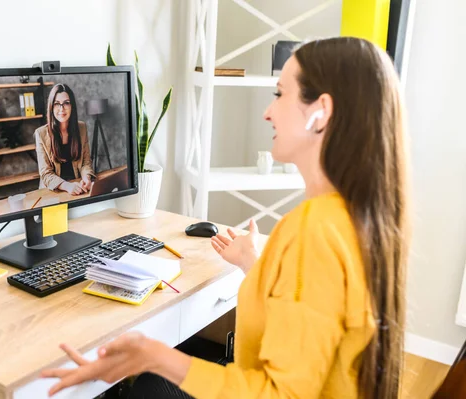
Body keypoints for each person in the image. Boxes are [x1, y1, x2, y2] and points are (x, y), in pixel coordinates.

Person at [40, 37, 410, 399]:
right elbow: (316, 317)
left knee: (150, 385)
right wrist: (256, 265)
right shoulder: (357, 217)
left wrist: (153, 356)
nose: (268, 111)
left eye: (280, 94)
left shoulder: (313, 230)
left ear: (320, 112)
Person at [35, 83, 94, 195]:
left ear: (72, 106)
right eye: (57, 104)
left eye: (66, 103)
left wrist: (87, 178)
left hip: (77, 185)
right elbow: (46, 173)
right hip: (54, 190)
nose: (61, 109)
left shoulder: (81, 128)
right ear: (51, 107)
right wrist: (67, 186)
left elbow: (86, 162)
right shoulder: (41, 134)